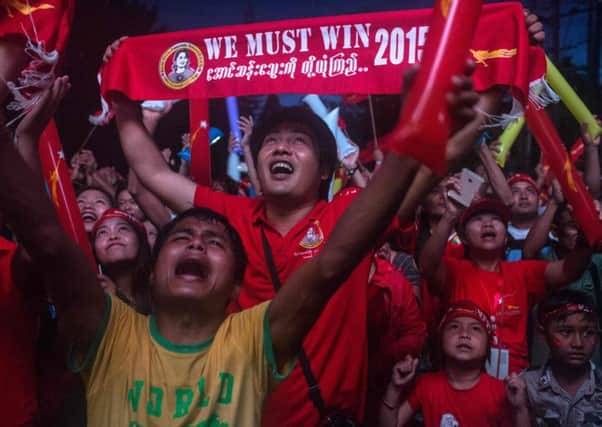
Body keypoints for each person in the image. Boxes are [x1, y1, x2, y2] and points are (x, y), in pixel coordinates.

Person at [0, 67, 473, 424]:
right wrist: (125, 101)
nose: (281, 148)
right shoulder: (229, 219)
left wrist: (424, 125)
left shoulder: (342, 216)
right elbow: (148, 178)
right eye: (271, 141)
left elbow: (336, 259)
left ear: (328, 172)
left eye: (298, 142)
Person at [420, 197, 592, 378]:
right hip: (461, 377)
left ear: (505, 236)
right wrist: (449, 217)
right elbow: (427, 265)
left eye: (496, 220)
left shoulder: (521, 272)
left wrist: (585, 239)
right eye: (478, 219)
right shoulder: (455, 270)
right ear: (464, 237)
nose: (488, 224)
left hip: (513, 380)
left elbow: (567, 271)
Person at [379, 301, 515, 427]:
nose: (464, 333)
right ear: (441, 339)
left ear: (488, 345)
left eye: (475, 328)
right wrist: (395, 388)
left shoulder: (501, 392)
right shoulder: (426, 385)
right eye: (454, 326)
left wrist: (520, 410)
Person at [514, 289, 602, 425]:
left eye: (588, 332)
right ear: (543, 333)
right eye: (566, 332)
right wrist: (520, 409)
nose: (578, 343)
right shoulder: (525, 386)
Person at [92, 208, 152, 314]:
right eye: (102, 232)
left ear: (140, 241)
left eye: (122, 229)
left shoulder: (161, 289)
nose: (113, 236)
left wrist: (118, 299)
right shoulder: (89, 294)